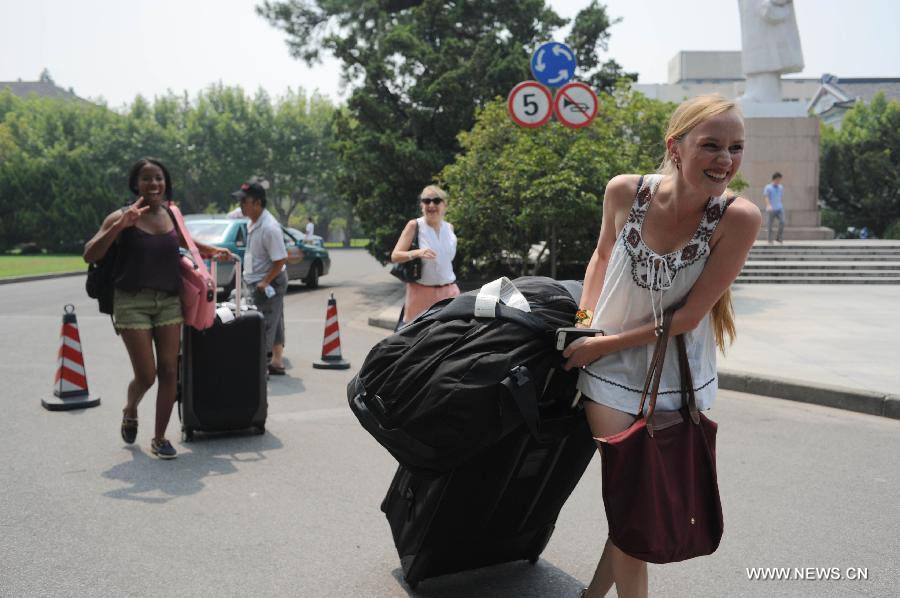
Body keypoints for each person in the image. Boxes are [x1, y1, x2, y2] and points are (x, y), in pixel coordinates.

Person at [561, 95, 761, 598]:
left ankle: (590, 596)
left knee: (635, 503)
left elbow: (688, 318)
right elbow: (601, 257)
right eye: (711, 145)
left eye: (735, 147)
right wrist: (586, 326)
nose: (725, 160)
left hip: (680, 378)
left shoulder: (739, 218)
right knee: (632, 501)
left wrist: (600, 345)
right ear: (676, 146)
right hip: (609, 376)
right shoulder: (625, 191)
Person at [83, 158, 233, 460]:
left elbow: (184, 242)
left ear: (165, 183)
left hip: (168, 301)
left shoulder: (170, 214)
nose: (154, 184)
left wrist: (212, 250)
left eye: (159, 179)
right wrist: (118, 226)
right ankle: (130, 408)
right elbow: (90, 254)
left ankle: (160, 437)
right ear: (135, 184)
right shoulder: (121, 217)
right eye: (147, 179)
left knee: (169, 370)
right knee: (147, 375)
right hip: (132, 302)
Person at [232, 181, 289, 375]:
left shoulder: (269, 227)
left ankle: (259, 369)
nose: (241, 205)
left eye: (244, 201)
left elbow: (280, 260)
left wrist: (265, 282)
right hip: (258, 279)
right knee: (275, 322)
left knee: (262, 324)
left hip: (268, 282)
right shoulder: (253, 221)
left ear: (257, 202)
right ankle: (277, 361)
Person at [390, 185, 460, 326]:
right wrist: (416, 252)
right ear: (422, 205)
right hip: (421, 293)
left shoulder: (449, 228)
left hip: (449, 292)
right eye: (427, 201)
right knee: (417, 338)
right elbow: (395, 256)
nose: (431, 204)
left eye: (436, 200)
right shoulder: (414, 225)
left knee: (448, 337)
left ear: (444, 204)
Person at [763, 172, 785, 243]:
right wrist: (768, 205)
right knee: (770, 224)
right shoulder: (768, 187)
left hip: (779, 208)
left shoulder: (781, 187)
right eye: (778, 179)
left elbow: (780, 196)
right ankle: (770, 239)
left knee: (782, 222)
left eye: (780, 180)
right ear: (774, 179)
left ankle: (779, 237)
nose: (779, 181)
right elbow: (766, 197)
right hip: (771, 208)